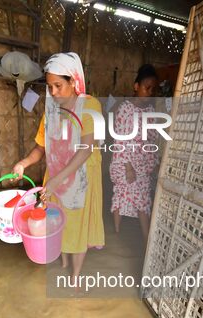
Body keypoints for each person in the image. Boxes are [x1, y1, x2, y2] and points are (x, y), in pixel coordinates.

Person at [13, 52, 104, 283]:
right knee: (56, 222)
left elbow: (85, 149)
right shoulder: (50, 113)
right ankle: (62, 261)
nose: (53, 92)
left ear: (73, 81)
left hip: (80, 177)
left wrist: (56, 180)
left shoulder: (90, 106)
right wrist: (24, 163)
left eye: (58, 85)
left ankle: (74, 276)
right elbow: (40, 149)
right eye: (50, 86)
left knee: (77, 226)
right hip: (55, 177)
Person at [109, 64, 160, 242]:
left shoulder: (151, 112)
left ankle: (146, 240)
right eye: (147, 87)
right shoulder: (124, 109)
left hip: (142, 163)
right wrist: (128, 166)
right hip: (124, 162)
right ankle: (116, 232)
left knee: (143, 199)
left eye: (153, 89)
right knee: (121, 194)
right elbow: (120, 140)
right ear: (136, 86)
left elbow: (151, 140)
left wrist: (153, 163)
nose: (150, 92)